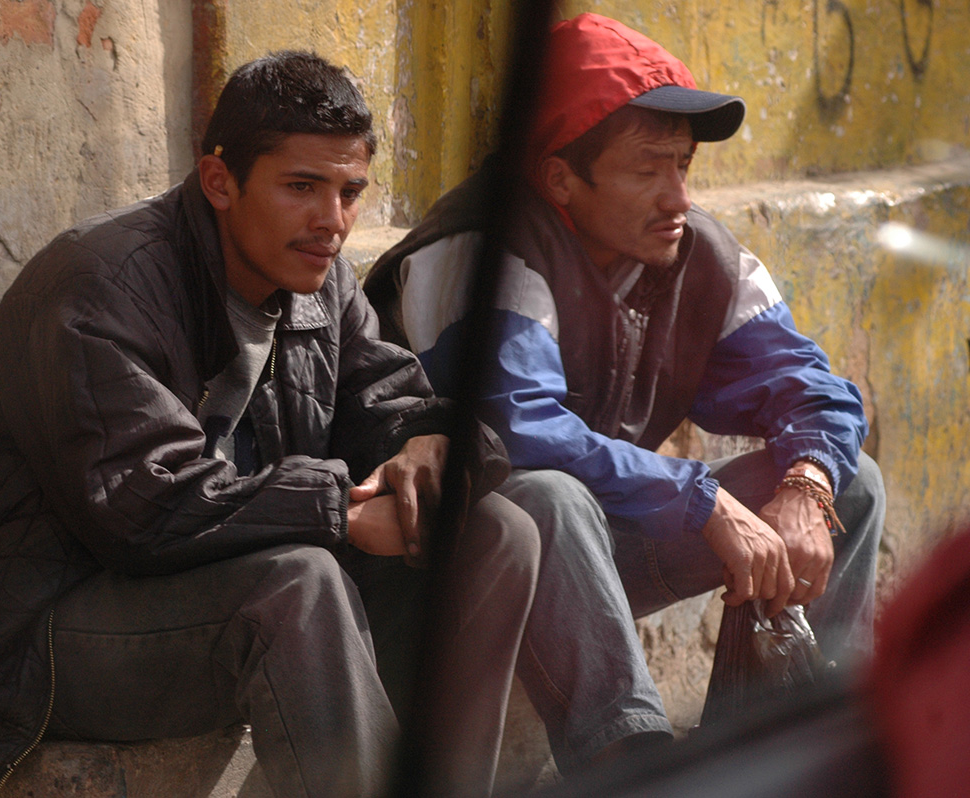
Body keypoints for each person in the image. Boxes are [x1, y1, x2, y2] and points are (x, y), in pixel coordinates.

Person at [0, 51, 541, 798]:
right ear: (219, 182)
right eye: (302, 187)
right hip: (36, 625)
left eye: (349, 192)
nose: (332, 221)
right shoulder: (96, 284)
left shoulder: (319, 271)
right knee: (298, 585)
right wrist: (336, 512)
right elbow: (142, 507)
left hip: (207, 583)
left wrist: (428, 448)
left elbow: (387, 396)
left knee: (498, 535)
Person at [364, 13, 885, 775]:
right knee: (549, 496)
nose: (677, 196)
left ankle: (776, 765)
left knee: (851, 484)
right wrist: (700, 498)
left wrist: (805, 486)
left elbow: (812, 388)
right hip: (455, 577)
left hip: (609, 552)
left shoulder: (695, 252)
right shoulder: (482, 247)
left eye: (683, 165)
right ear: (559, 178)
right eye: (647, 170)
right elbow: (519, 429)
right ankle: (631, 768)